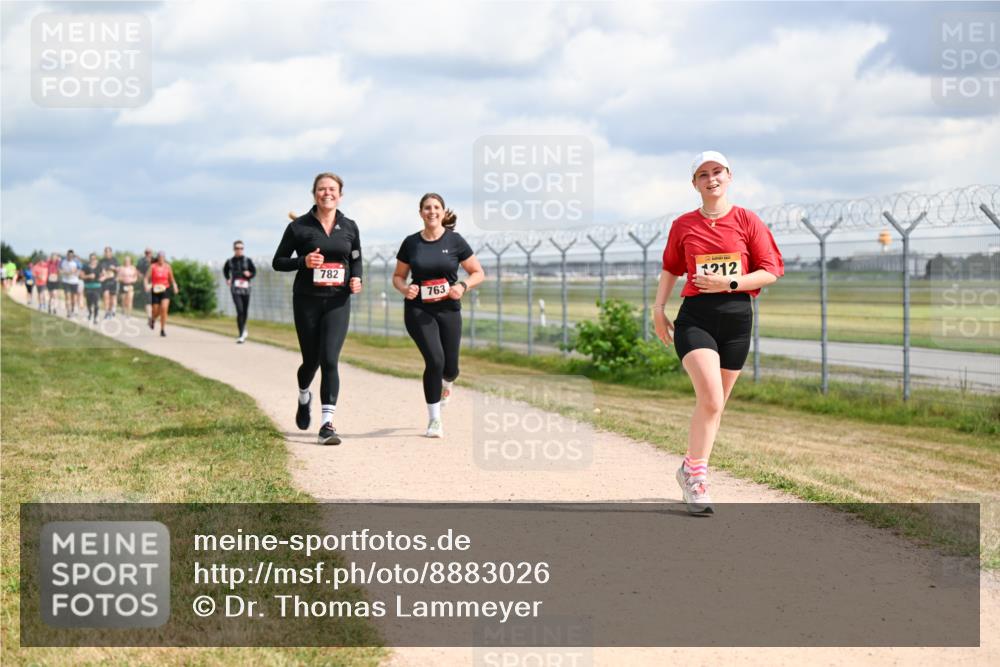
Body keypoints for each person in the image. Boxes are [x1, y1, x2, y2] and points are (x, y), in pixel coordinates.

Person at [654, 151, 784, 515]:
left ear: (729, 176)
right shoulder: (683, 225)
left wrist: (729, 281)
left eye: (717, 172)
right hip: (696, 319)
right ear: (694, 184)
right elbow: (670, 268)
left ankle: (687, 467)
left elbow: (771, 270)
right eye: (702, 175)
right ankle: (698, 479)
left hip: (738, 320)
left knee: (715, 406)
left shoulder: (746, 220)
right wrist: (658, 310)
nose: (711, 179)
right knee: (710, 399)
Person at [272, 172, 362, 445]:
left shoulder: (349, 226)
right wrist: (304, 262)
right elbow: (279, 261)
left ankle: (327, 425)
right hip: (307, 300)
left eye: (332, 189)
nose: (327, 193)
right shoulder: (299, 227)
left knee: (330, 359)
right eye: (322, 189)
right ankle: (303, 396)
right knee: (310, 361)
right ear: (314, 194)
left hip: (338, 300)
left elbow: (356, 258)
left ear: (340, 194)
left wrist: (357, 278)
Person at [392, 193, 485, 438]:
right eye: (426, 208)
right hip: (419, 309)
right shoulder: (411, 243)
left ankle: (448, 383)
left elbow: (477, 272)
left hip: (448, 308)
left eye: (436, 207)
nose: (431, 211)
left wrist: (462, 287)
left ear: (443, 212)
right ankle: (434, 420)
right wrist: (405, 288)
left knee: (450, 367)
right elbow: (398, 276)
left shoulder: (455, 241)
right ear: (420, 213)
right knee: (434, 360)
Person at [223, 240, 257, 343]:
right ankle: (241, 334)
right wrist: (228, 278)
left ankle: (243, 327)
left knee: (245, 311)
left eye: (241, 248)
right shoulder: (230, 261)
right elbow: (225, 270)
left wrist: (249, 274)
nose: (239, 250)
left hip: (246, 288)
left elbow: (254, 271)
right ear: (234, 249)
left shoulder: (248, 260)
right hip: (235, 288)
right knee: (240, 310)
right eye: (237, 248)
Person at [144, 251, 179, 337]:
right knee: (156, 310)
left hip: (165, 289)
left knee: (164, 308)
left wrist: (175, 286)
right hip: (155, 289)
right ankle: (152, 320)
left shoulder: (167, 267)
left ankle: (162, 329)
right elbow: (146, 278)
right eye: (160, 257)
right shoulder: (153, 266)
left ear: (164, 258)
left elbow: (172, 279)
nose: (161, 259)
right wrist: (146, 286)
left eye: (163, 257)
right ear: (158, 258)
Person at [80, 253, 102, 324]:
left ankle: (96, 317)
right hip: (88, 287)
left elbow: (104, 274)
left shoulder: (99, 266)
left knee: (96, 303)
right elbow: (81, 276)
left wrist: (103, 278)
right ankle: (90, 313)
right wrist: (88, 276)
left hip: (97, 286)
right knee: (89, 303)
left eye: (94, 259)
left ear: (96, 259)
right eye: (91, 259)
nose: (93, 260)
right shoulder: (85, 267)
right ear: (89, 259)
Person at [99, 246, 119, 319]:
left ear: (111, 252)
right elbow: (100, 271)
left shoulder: (114, 260)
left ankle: (111, 311)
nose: (107, 253)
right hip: (105, 282)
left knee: (112, 298)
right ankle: (107, 312)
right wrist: (101, 274)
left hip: (113, 282)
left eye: (108, 251)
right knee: (105, 296)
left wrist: (114, 268)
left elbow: (117, 270)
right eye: (106, 251)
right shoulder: (101, 261)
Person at [60, 250, 81, 318]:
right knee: (67, 297)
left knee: (73, 298)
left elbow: (79, 270)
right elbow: (59, 269)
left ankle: (72, 310)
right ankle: (68, 312)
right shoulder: (63, 261)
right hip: (66, 281)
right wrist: (64, 272)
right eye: (69, 255)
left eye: (71, 256)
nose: (70, 257)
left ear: (73, 256)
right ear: (67, 255)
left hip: (74, 281)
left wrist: (75, 272)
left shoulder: (76, 262)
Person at [136, 248, 154, 325]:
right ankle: (149, 317)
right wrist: (141, 277)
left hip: (155, 282)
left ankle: (153, 316)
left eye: (149, 252)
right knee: (148, 300)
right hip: (145, 282)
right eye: (147, 252)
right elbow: (137, 270)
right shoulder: (141, 261)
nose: (148, 254)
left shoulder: (155, 260)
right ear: (145, 253)